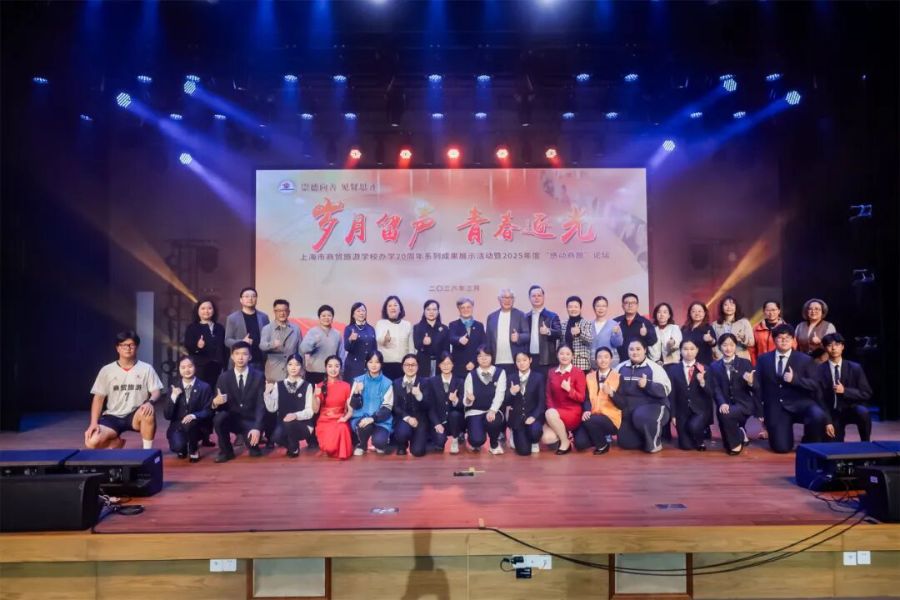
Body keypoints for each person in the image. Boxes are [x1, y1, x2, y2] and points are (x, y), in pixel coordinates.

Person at [756, 325, 832, 453]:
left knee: (817, 415)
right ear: (774, 340)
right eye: (780, 338)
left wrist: (795, 380)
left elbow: (815, 385)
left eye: (787, 338)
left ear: (793, 340)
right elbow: (759, 386)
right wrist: (760, 410)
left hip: (801, 403)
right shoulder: (764, 359)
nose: (784, 341)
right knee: (781, 448)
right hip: (778, 408)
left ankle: (808, 440)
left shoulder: (805, 359)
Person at [85, 331, 163, 450]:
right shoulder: (107, 370)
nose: (128, 348)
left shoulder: (146, 368)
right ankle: (115, 443)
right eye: (124, 345)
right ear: (118, 348)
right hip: (113, 416)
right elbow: (98, 398)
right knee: (92, 442)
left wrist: (150, 402)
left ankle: (147, 451)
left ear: (136, 347)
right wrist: (93, 423)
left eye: (131, 345)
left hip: (135, 414)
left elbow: (156, 391)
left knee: (148, 411)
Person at [211, 341, 267, 462]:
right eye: (237, 354)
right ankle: (226, 451)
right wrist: (215, 402)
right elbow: (217, 404)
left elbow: (260, 404)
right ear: (232, 356)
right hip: (232, 419)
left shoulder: (259, 376)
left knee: (254, 452)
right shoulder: (224, 377)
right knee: (219, 418)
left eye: (244, 354)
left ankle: (251, 440)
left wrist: (257, 428)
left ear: (250, 357)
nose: (240, 357)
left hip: (250, 420)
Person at [613, 339, 672, 453]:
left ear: (645, 350)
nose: (634, 352)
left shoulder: (654, 367)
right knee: (626, 443)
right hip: (630, 410)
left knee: (641, 416)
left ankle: (655, 444)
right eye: (631, 349)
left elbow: (665, 390)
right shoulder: (620, 367)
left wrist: (647, 385)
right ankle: (643, 437)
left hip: (654, 407)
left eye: (638, 349)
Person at [710, 333, 760, 455]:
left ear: (735, 346)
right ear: (719, 347)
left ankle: (736, 445)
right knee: (726, 441)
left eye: (731, 345)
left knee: (726, 416)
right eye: (725, 345)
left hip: (744, 403)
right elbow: (716, 388)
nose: (728, 348)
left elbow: (756, 387)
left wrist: (751, 382)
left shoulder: (745, 362)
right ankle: (740, 433)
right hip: (726, 404)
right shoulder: (714, 366)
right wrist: (722, 403)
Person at [818, 333, 873, 442]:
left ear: (842, 347)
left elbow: (866, 393)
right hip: (833, 412)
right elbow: (819, 399)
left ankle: (866, 443)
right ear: (825, 348)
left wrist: (845, 391)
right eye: (829, 345)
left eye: (837, 345)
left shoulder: (855, 368)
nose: (833, 348)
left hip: (852, 409)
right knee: (834, 446)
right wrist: (827, 421)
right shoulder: (819, 370)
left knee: (863, 412)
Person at [263, 354, 317, 458]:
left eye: (297, 364)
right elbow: (272, 408)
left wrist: (295, 415)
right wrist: (266, 394)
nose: (293, 367)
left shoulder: (307, 385)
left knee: (290, 423)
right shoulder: (278, 385)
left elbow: (310, 411)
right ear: (286, 367)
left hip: (303, 425)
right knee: (275, 437)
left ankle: (293, 449)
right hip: (283, 424)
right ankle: (293, 447)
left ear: (301, 368)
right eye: (290, 364)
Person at [664, 340, 713, 451]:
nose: (689, 352)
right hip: (682, 411)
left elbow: (710, 393)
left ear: (697, 350)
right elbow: (672, 393)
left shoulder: (705, 369)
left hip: (700, 410)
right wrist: (673, 415)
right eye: (685, 349)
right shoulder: (673, 369)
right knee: (686, 446)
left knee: (694, 426)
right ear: (680, 351)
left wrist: (702, 382)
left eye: (692, 349)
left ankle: (700, 439)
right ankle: (692, 437)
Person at [163, 356, 213, 462]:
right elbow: (167, 415)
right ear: (179, 369)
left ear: (195, 367)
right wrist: (174, 397)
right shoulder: (174, 387)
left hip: (198, 425)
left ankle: (194, 449)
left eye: (190, 366)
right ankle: (183, 447)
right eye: (183, 367)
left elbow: (209, 410)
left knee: (191, 422)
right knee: (178, 447)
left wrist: (194, 415)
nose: (187, 370)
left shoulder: (204, 387)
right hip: (178, 425)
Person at [574, 347, 621, 455]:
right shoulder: (589, 377)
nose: (603, 360)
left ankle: (602, 445)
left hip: (611, 418)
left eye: (606, 357)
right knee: (580, 444)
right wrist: (586, 410)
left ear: (611, 359)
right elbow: (586, 398)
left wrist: (612, 393)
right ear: (595, 360)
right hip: (592, 415)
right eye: (599, 357)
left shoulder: (618, 377)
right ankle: (599, 435)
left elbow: (622, 404)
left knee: (590, 420)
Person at [462, 345, 507, 454]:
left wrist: (493, 410)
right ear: (477, 358)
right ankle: (474, 436)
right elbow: (466, 401)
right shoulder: (471, 375)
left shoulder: (500, 372)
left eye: (487, 355)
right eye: (480, 356)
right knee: (477, 441)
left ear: (492, 357)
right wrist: (469, 399)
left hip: (493, 411)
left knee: (493, 421)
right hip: (475, 411)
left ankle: (494, 444)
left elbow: (500, 394)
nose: (483, 358)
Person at [542, 346, 587, 455]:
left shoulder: (578, 372)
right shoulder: (552, 372)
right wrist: (552, 412)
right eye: (561, 353)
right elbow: (548, 395)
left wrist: (569, 390)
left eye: (568, 354)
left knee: (550, 413)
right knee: (547, 439)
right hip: (554, 413)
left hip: (572, 412)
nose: (564, 356)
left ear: (572, 356)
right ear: (557, 355)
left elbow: (581, 398)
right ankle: (564, 434)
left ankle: (565, 442)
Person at [349, 351, 394, 455]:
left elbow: (387, 408)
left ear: (381, 364)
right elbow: (354, 406)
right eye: (370, 362)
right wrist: (356, 393)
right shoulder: (358, 380)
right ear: (366, 363)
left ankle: (378, 442)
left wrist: (372, 418)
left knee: (380, 442)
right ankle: (362, 445)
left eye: (377, 362)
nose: (374, 365)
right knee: (365, 426)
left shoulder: (387, 383)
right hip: (361, 418)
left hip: (381, 420)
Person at [505, 352, 545, 456]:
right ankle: (514, 433)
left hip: (533, 416)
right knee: (524, 451)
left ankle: (534, 441)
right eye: (518, 361)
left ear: (530, 360)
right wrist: (512, 392)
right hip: (517, 418)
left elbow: (542, 401)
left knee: (535, 432)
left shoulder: (539, 377)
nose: (521, 363)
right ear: (515, 363)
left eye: (524, 360)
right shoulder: (511, 378)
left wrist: (534, 416)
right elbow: (505, 401)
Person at [315, 355, 354, 460]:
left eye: (337, 366)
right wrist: (315, 396)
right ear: (325, 368)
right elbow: (315, 410)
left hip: (340, 419)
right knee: (329, 448)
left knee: (342, 428)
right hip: (324, 421)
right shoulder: (319, 386)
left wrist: (345, 418)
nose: (333, 369)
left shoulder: (346, 386)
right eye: (330, 366)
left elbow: (350, 410)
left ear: (340, 368)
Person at [425, 352, 466, 454]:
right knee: (439, 443)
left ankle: (455, 439)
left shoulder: (460, 381)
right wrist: (436, 423)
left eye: (448, 363)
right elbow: (430, 406)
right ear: (439, 365)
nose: (446, 366)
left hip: (455, 421)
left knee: (455, 415)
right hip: (439, 420)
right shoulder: (432, 382)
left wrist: (456, 400)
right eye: (443, 363)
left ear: (453, 365)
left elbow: (463, 405)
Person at [485, 288, 531, 379]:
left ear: (513, 300)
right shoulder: (492, 317)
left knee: (513, 386)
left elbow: (528, 335)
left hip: (515, 362)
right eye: (504, 297)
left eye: (510, 297)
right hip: (496, 362)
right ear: (499, 299)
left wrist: (519, 337)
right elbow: (488, 341)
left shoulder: (520, 315)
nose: (507, 300)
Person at [390, 354, 429, 456]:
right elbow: (395, 406)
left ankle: (415, 439)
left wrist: (419, 396)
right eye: (407, 365)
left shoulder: (425, 382)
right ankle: (402, 444)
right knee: (402, 433)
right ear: (403, 366)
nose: (410, 367)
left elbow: (428, 406)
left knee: (418, 452)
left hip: (419, 420)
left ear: (418, 367)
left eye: (413, 365)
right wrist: (407, 418)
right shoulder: (396, 383)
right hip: (403, 418)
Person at [183, 298, 226, 388]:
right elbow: (188, 346)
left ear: (213, 311)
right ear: (197, 311)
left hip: (218, 367)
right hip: (200, 368)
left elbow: (224, 348)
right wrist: (198, 346)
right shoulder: (192, 327)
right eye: (203, 308)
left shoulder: (220, 327)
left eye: (209, 308)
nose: (206, 311)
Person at [224, 287, 270, 369]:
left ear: (256, 299)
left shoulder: (264, 317)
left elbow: (268, 338)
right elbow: (227, 341)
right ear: (241, 300)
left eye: (253, 296)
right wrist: (242, 341)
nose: (250, 298)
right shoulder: (232, 318)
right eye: (247, 296)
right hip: (240, 362)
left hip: (260, 361)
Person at [259, 299, 303, 383]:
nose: (282, 313)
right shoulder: (267, 328)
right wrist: (272, 344)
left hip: (292, 372)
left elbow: (300, 351)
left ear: (289, 312)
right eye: (278, 311)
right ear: (274, 312)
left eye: (284, 310)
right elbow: (262, 346)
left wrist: (301, 370)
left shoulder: (296, 329)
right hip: (274, 371)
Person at [299, 305, 343, 385]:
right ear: (319, 317)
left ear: (332, 317)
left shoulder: (337, 334)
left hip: (331, 373)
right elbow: (303, 349)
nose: (326, 318)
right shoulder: (312, 332)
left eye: (329, 315)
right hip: (313, 372)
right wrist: (314, 341)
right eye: (323, 316)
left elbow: (341, 355)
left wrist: (340, 371)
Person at [525, 285, 562, 378]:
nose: (536, 298)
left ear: (543, 297)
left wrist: (548, 331)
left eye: (539, 295)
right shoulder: (525, 317)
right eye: (533, 296)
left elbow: (559, 333)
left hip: (547, 359)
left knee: (546, 385)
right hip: (529, 359)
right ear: (529, 298)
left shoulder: (552, 316)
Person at [375, 296, 414, 381]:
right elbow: (378, 340)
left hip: (403, 365)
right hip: (385, 364)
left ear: (400, 309)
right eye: (390, 306)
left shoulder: (407, 324)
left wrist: (411, 363)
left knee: (401, 388)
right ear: (386, 310)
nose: (393, 308)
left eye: (395, 305)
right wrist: (385, 339)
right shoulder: (381, 323)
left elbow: (411, 347)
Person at [447, 297, 486, 379]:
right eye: (463, 308)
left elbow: (483, 345)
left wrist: (474, 362)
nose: (466, 310)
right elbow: (451, 338)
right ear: (459, 309)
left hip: (476, 365)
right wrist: (459, 340)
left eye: (468, 307)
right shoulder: (453, 324)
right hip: (459, 368)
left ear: (472, 308)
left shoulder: (479, 325)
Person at [613, 293, 658, 363]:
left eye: (633, 303)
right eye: (627, 303)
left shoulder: (645, 322)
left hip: (640, 361)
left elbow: (653, 341)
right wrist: (615, 334)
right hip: (621, 362)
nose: (630, 305)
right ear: (622, 306)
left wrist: (646, 334)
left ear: (637, 305)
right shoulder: (616, 322)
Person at [749, 300, 795, 365]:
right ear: (764, 311)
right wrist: (755, 365)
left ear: (779, 311)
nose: (771, 313)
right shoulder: (756, 329)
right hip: (762, 364)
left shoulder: (787, 329)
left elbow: (793, 347)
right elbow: (752, 350)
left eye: (773, 310)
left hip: (781, 364)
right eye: (768, 310)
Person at [413, 300, 451, 377]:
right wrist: (424, 343)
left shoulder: (444, 328)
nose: (431, 312)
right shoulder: (417, 327)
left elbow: (446, 349)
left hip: (439, 364)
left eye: (434, 309)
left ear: (438, 312)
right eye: (428, 309)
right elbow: (417, 345)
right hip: (423, 363)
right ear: (424, 311)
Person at [711, 296, 755, 361]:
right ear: (722, 307)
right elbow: (714, 344)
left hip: (741, 357)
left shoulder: (744, 322)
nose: (729, 307)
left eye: (732, 305)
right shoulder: (715, 324)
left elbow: (752, 343)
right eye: (726, 305)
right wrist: (719, 356)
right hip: (721, 359)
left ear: (736, 307)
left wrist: (743, 338)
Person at [343, 302, 377, 383]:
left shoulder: (371, 328)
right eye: (358, 311)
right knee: (354, 388)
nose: (361, 313)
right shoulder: (349, 328)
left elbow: (374, 348)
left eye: (363, 311)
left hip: (369, 367)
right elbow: (346, 347)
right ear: (353, 315)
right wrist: (350, 339)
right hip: (353, 367)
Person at [589, 295, 624, 368]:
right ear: (594, 307)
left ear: (607, 308)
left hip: (610, 364)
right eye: (598, 306)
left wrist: (616, 333)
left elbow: (618, 344)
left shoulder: (613, 324)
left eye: (604, 306)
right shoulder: (588, 325)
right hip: (593, 364)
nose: (601, 308)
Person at [562, 296, 594, 372]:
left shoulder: (586, 323)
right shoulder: (563, 324)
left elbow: (590, 340)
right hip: (566, 363)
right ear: (567, 308)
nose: (573, 309)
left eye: (576, 307)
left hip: (582, 363)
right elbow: (561, 343)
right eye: (570, 307)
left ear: (580, 308)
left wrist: (580, 333)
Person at [681, 301, 717, 366]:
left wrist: (710, 340)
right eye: (693, 311)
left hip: (703, 364)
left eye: (700, 311)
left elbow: (714, 342)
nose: (697, 313)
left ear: (704, 313)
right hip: (686, 364)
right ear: (690, 313)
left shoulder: (708, 328)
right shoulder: (684, 328)